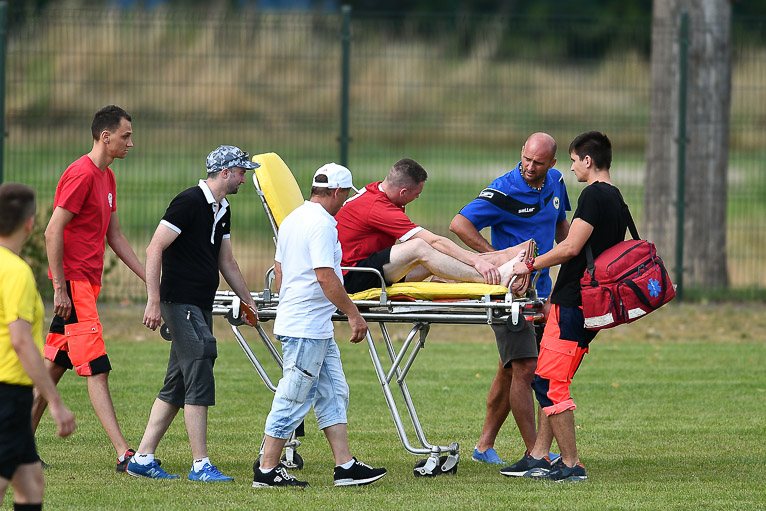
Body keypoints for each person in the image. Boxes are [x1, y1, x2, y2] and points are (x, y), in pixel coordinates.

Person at [126, 145, 259, 482]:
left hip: (199, 305)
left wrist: (247, 301)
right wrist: (153, 300)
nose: (244, 178)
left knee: (178, 383)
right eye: (241, 172)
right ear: (225, 172)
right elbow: (154, 248)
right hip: (179, 303)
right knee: (201, 362)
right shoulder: (188, 202)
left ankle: (142, 458)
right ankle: (201, 464)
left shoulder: (223, 208)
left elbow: (226, 261)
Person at [252, 163, 387, 489]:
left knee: (333, 392)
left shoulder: (293, 218)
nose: (345, 201)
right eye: (345, 195)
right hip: (306, 328)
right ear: (338, 192)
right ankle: (267, 470)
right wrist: (354, 314)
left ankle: (345, 466)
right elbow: (325, 276)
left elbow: (279, 269)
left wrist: (293, 302)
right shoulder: (323, 224)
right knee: (293, 396)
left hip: (311, 325)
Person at [503, 131, 628, 482]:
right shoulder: (616, 197)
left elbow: (571, 247)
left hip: (575, 302)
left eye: (574, 161)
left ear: (588, 160)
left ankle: (572, 464)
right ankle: (539, 456)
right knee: (552, 376)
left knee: (549, 383)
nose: (572, 168)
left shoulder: (594, 194)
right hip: (584, 303)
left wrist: (529, 265)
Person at [30, 105, 146, 472]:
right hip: (74, 287)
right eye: (126, 136)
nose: (130, 143)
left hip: (85, 286)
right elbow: (52, 231)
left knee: (53, 368)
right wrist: (60, 289)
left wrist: (149, 277)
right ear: (105, 137)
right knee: (97, 367)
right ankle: (124, 454)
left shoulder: (107, 177)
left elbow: (115, 236)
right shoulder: (81, 174)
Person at [449, 132, 571, 467]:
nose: (530, 167)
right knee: (526, 368)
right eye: (526, 159)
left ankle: (484, 446)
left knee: (509, 370)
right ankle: (536, 452)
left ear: (552, 164)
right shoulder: (503, 190)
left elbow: (562, 229)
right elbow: (459, 224)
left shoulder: (557, 182)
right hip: (509, 296)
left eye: (539, 163)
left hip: (541, 294)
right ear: (521, 152)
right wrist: (499, 261)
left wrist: (572, 264)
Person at [335, 158, 526, 295]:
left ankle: (499, 263)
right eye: (416, 194)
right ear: (403, 192)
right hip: (353, 277)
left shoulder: (377, 192)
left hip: (371, 270)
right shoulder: (377, 207)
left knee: (434, 255)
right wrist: (475, 261)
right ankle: (495, 278)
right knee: (420, 246)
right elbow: (433, 241)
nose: (418, 197)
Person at [0, 183, 76, 510]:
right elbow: (20, 341)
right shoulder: (16, 272)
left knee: (31, 483)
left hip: (9, 393)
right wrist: (55, 402)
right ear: (30, 222)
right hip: (8, 391)